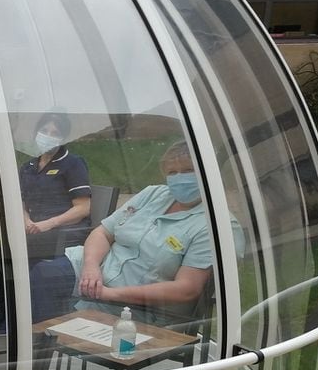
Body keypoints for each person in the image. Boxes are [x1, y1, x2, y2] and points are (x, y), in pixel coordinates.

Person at [31, 140, 226, 326]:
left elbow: (186, 289)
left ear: (210, 173)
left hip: (135, 304)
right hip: (94, 272)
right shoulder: (153, 194)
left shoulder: (214, 225)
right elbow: (103, 232)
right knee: (43, 275)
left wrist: (109, 294)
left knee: (47, 311)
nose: (178, 178)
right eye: (172, 172)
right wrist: (91, 266)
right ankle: (31, 344)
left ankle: (43, 346)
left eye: (188, 171)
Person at [0, 112, 91, 335]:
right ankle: (4, 311)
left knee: (22, 249)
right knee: (6, 246)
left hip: (63, 231)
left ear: (64, 138)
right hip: (35, 229)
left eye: (55, 133)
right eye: (44, 131)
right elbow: (20, 200)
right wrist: (26, 219)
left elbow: (82, 208)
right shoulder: (29, 165)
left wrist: (48, 224)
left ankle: (18, 318)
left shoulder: (73, 164)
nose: (48, 136)